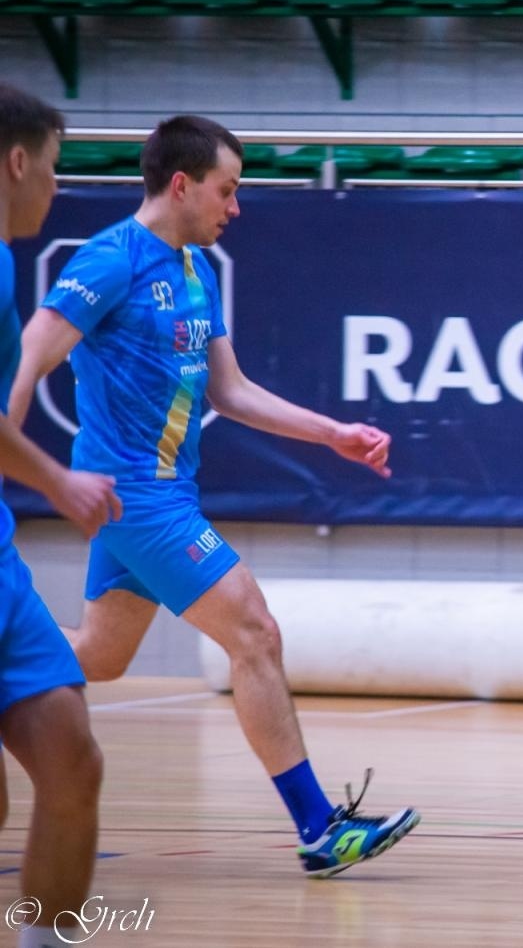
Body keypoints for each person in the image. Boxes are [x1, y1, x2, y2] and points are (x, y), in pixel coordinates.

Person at [8, 114, 418, 878]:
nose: (236, 207)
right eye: (228, 190)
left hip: (159, 496)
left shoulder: (194, 269)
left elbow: (229, 389)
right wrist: (14, 447)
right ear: (181, 184)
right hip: (139, 499)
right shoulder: (111, 259)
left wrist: (332, 433)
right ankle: (319, 827)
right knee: (254, 631)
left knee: (98, 657)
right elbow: (34, 346)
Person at [0, 82, 124, 947]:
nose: (56, 184)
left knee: (71, 759)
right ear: (16, 161)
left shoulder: (5, 261)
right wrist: (59, 479)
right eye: (51, 166)